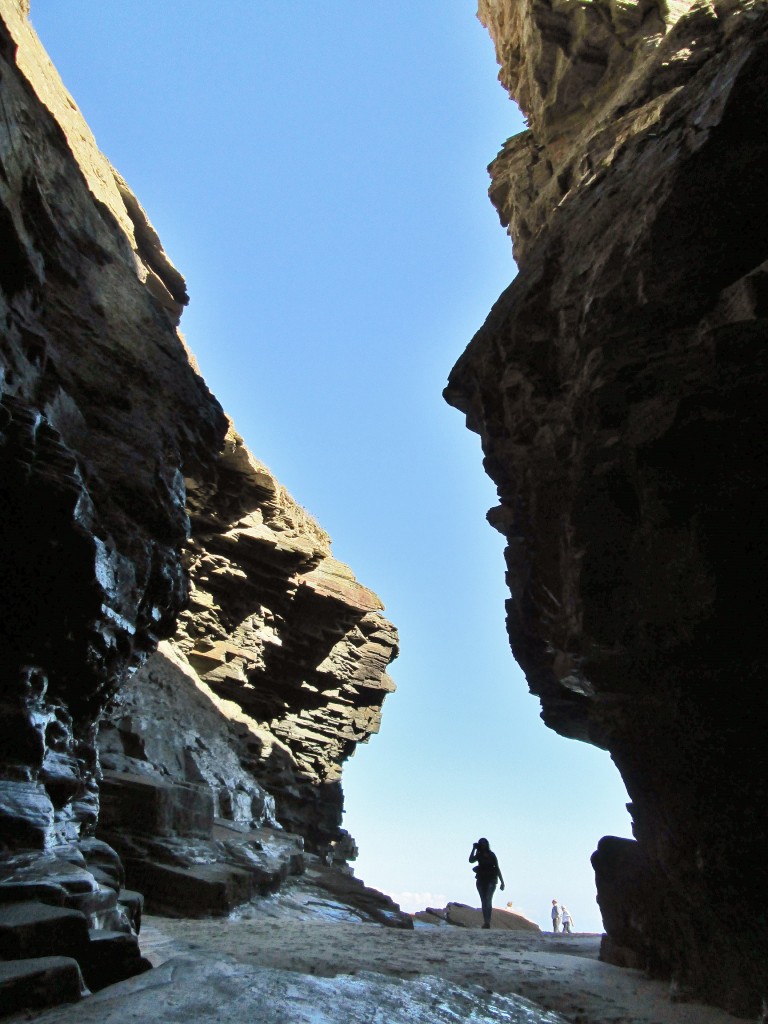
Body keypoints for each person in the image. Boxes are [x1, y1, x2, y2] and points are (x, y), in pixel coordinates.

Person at [469, 838, 504, 929]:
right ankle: (486, 922)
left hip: (491, 879)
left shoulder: (492, 855)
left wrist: (502, 882)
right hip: (481, 879)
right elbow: (470, 860)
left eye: (484, 843)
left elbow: (497, 868)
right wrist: (474, 849)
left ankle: (487, 922)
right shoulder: (479, 855)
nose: (483, 845)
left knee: (488, 899)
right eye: (481, 843)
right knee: (484, 901)